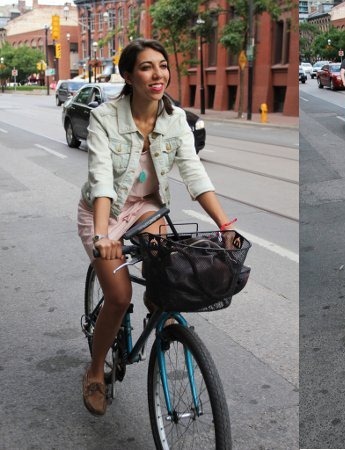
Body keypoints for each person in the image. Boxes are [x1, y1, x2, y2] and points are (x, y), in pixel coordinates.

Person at [77, 39, 234, 416]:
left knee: (170, 278)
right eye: (146, 67)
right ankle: (96, 371)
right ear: (129, 76)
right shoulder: (105, 118)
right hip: (105, 212)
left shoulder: (175, 119)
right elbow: (101, 179)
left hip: (147, 208)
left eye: (162, 65)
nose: (157, 74)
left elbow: (194, 173)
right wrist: (102, 236)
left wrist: (224, 223)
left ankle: (158, 313)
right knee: (119, 296)